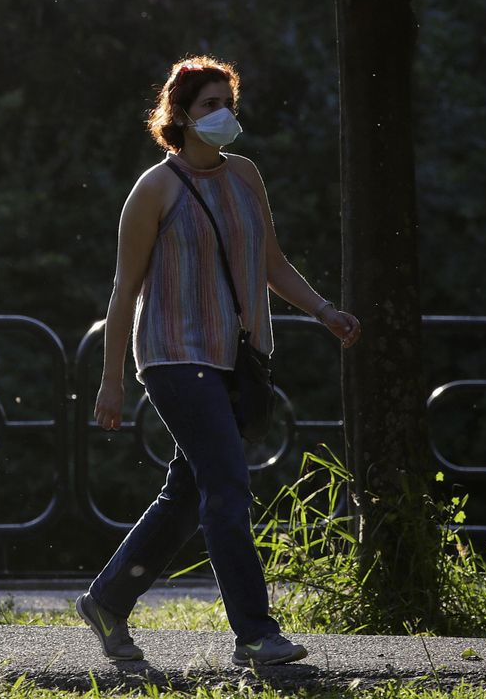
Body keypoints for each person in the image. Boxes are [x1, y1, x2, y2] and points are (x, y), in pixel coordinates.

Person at [76, 55, 362, 666]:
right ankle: (256, 634)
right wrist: (111, 383)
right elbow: (124, 291)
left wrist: (324, 311)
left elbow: (271, 264)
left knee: (189, 491)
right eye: (210, 104)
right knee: (228, 487)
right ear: (179, 114)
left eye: (228, 103)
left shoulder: (246, 177)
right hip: (175, 357)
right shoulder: (154, 190)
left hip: (238, 356)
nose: (223, 115)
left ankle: (106, 601)